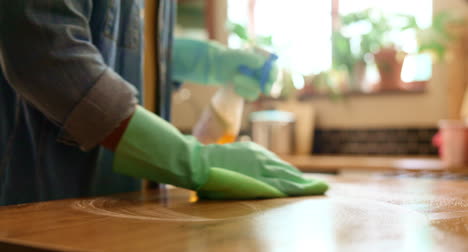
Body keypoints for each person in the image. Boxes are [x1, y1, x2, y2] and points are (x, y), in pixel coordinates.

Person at [0, 0, 328, 206]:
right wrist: (188, 159)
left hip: (126, 205)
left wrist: (207, 61)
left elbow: (122, 40)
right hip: (42, 203)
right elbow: (45, 52)